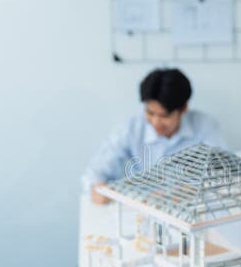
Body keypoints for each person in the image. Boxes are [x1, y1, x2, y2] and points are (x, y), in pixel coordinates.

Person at [82, 68, 226, 203]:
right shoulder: (131, 129)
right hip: (143, 207)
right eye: (150, 113)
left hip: (192, 206)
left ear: (183, 108)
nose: (155, 122)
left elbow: (223, 173)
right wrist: (99, 189)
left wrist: (180, 192)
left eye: (164, 115)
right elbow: (95, 174)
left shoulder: (205, 127)